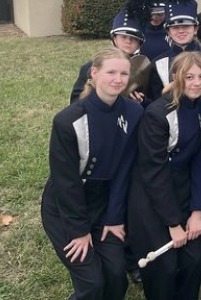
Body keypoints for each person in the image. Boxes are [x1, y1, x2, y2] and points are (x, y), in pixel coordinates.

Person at [41, 48, 143, 300]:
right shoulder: (68, 120)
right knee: (93, 284)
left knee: (117, 277)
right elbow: (67, 182)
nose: (117, 79)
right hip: (67, 206)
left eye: (123, 73)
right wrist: (78, 230)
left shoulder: (134, 112)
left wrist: (115, 218)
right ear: (94, 74)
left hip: (107, 203)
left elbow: (124, 170)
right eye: (111, 72)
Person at [127, 52, 201, 299]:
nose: (196, 83)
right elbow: (154, 171)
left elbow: (200, 161)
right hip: (150, 195)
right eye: (189, 77)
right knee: (164, 267)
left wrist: (197, 212)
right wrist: (174, 224)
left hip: (184, 189)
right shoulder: (157, 114)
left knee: (194, 261)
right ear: (175, 77)